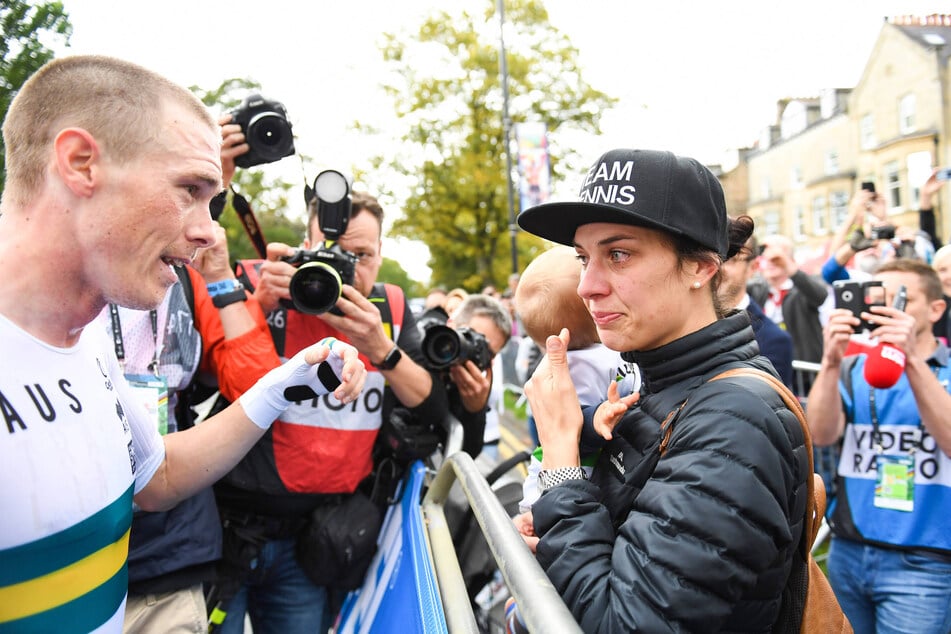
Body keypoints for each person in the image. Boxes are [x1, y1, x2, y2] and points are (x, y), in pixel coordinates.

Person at [0, 55, 366, 634]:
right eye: (189, 190)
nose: (207, 229)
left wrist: (283, 384)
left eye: (212, 198)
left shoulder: (85, 341)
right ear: (79, 162)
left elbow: (158, 478)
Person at [514, 148, 810, 631]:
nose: (587, 285)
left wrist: (561, 464)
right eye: (583, 257)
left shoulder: (735, 420)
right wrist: (547, 528)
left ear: (700, 266)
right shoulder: (656, 383)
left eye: (619, 254)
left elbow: (627, 623)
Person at [213, 183, 447, 633]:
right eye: (333, 252)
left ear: (380, 256)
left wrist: (381, 348)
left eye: (361, 256)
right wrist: (257, 303)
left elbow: (434, 407)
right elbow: (205, 376)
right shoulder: (261, 281)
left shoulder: (391, 307)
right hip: (231, 524)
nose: (346, 268)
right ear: (305, 247)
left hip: (314, 537)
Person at [805, 258, 951, 633]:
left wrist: (912, 360)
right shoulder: (857, 369)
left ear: (936, 309)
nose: (886, 310)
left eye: (902, 299)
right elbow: (821, 433)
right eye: (879, 299)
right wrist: (832, 360)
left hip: (924, 560)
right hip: (850, 550)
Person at [510, 245, 639, 524]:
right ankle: (534, 513)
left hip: (597, 467)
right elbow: (568, 419)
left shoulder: (616, 348)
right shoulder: (572, 366)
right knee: (542, 500)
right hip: (576, 467)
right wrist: (596, 418)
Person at [438, 293, 512, 458]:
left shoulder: (471, 388)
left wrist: (475, 410)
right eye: (469, 338)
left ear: (492, 360)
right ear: (450, 325)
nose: (470, 352)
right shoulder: (415, 347)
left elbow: (467, 453)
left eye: (484, 351)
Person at [719, 233, 795, 388]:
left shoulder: (773, 340)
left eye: (730, 259)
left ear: (752, 267)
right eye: (715, 257)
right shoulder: (684, 322)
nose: (718, 267)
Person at [749, 233, 830, 368]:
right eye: (765, 256)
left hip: (802, 373)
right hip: (767, 369)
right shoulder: (756, 290)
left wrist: (788, 266)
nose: (771, 261)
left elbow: (820, 295)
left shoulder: (801, 290)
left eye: (777, 257)